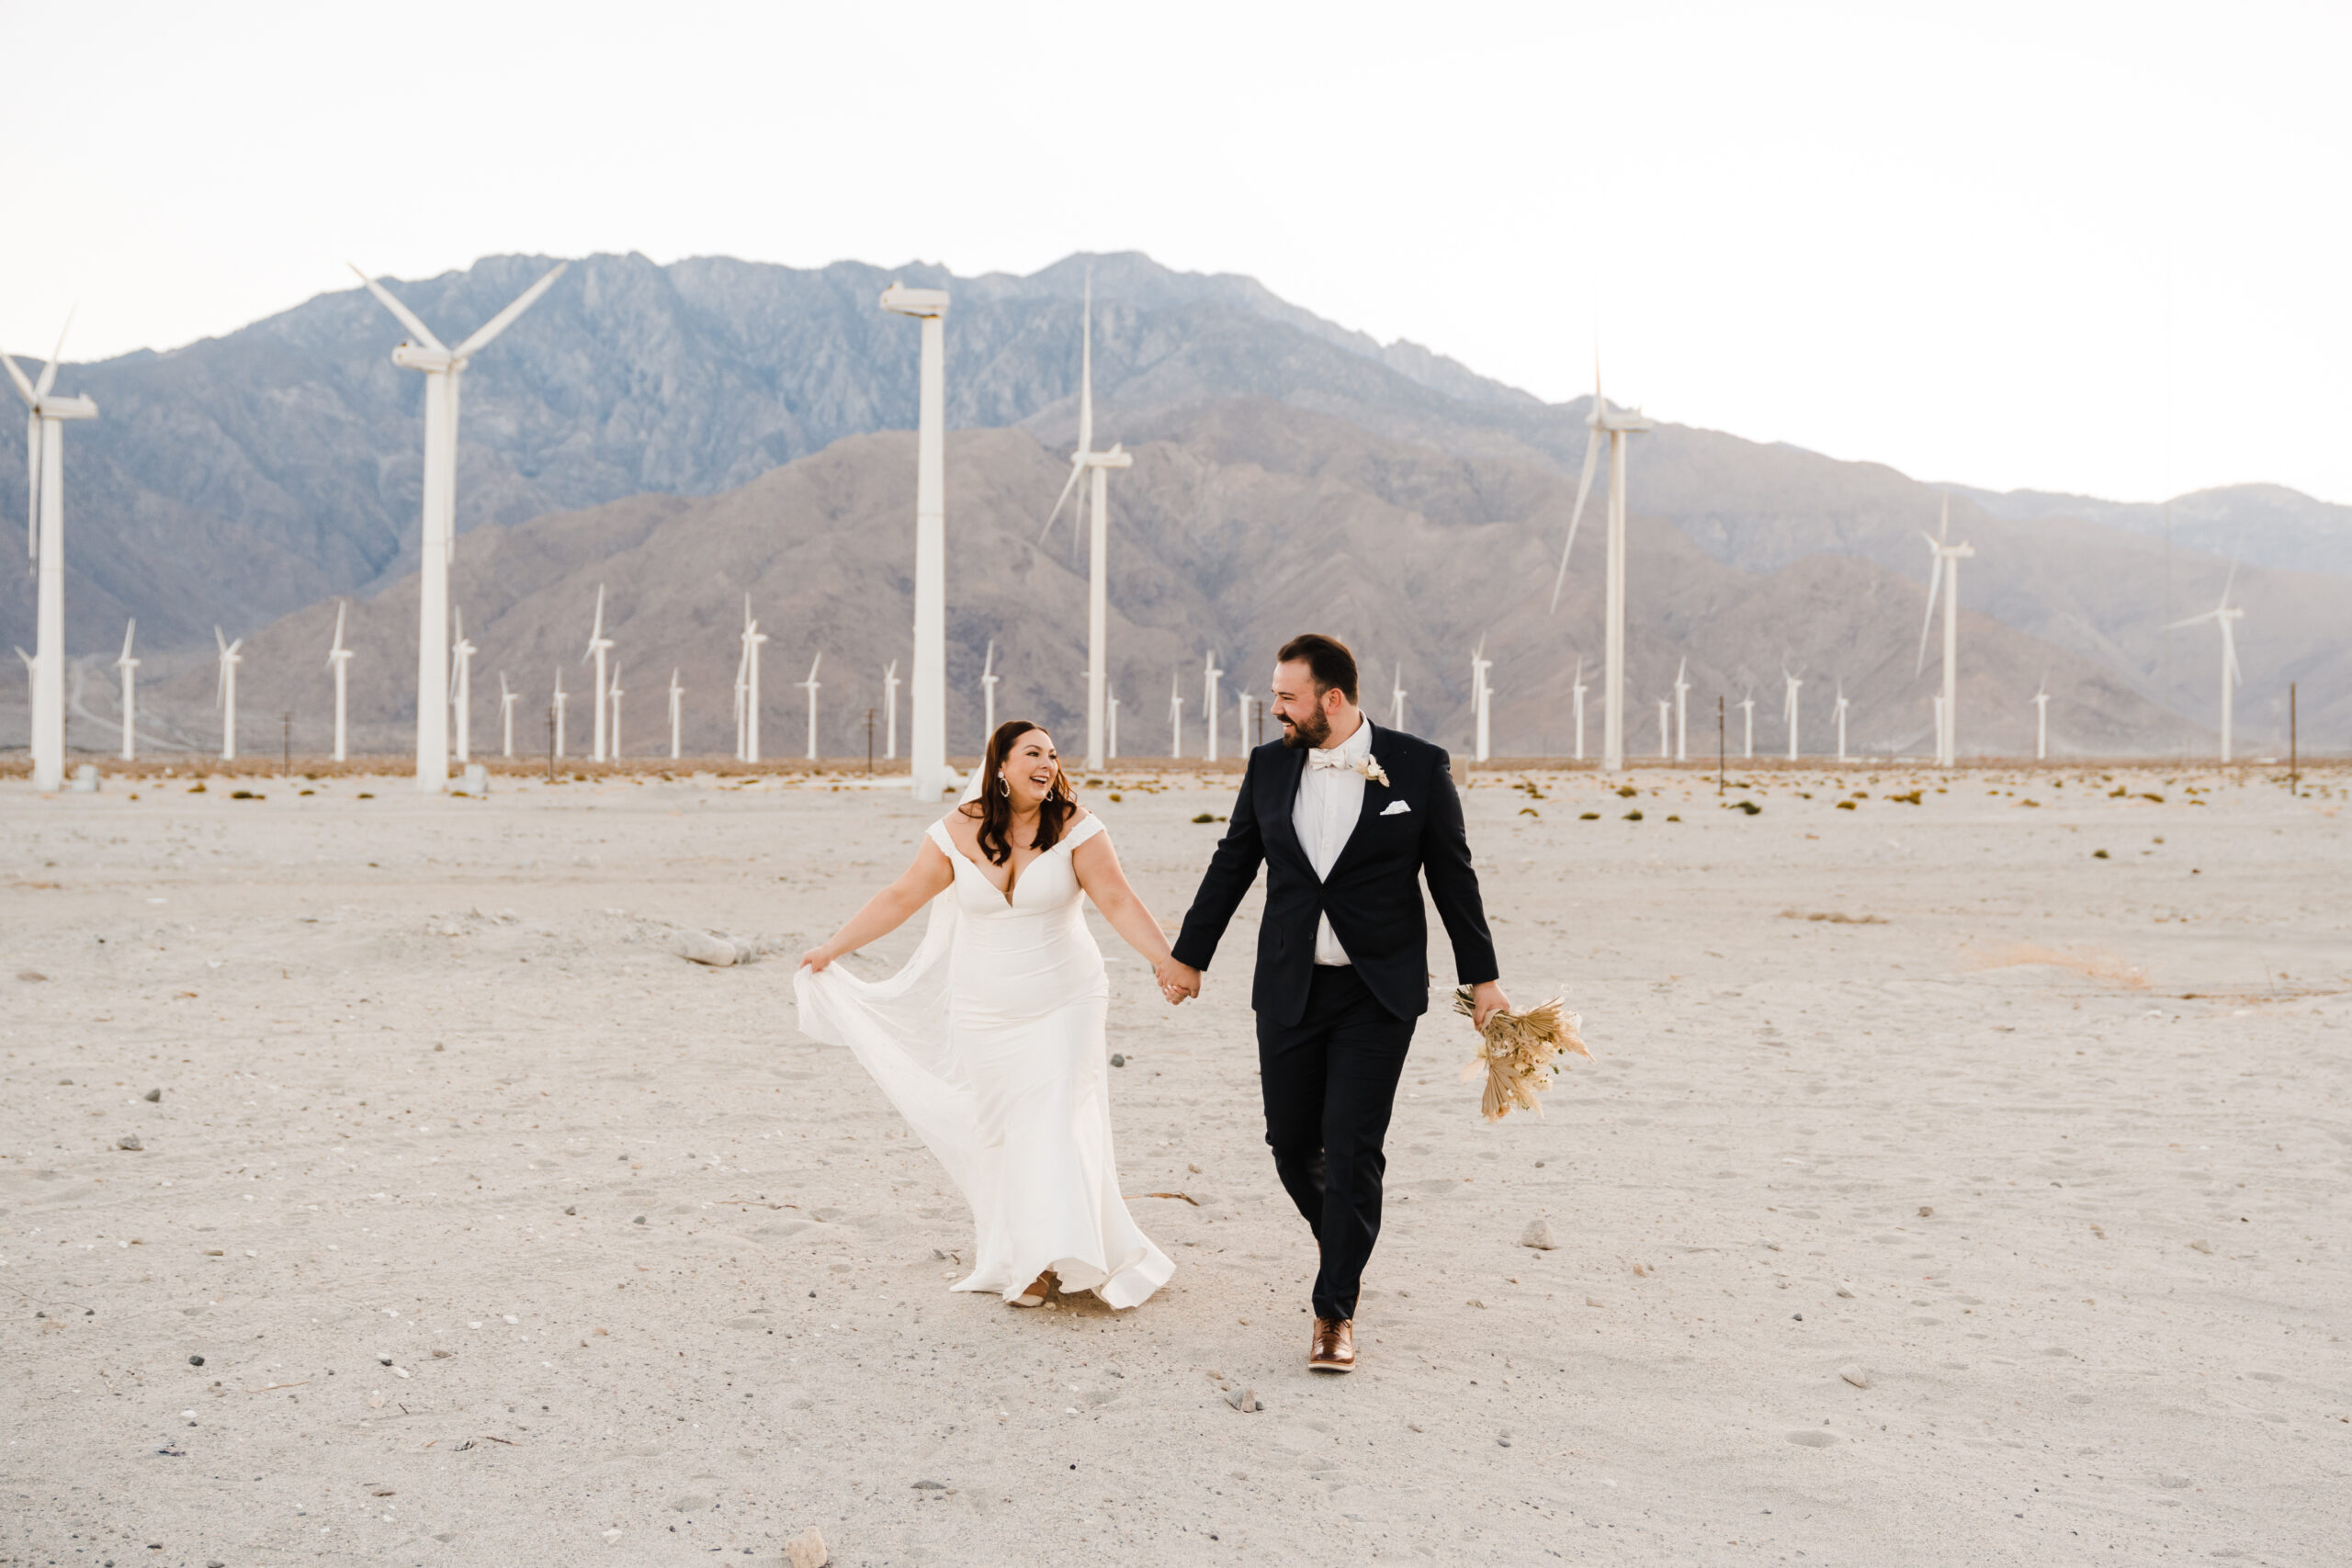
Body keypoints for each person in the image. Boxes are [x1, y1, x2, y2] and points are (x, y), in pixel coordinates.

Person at [1156, 633, 1508, 1373]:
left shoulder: (1418, 765)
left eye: (1287, 697)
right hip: (1288, 985)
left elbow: (1454, 877)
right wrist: (1190, 955)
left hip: (1377, 993)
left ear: (1333, 699)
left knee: (1351, 1145)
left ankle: (1334, 1309)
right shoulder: (1268, 765)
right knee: (1290, 1144)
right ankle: (1346, 1242)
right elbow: (1234, 862)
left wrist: (1484, 979)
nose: (1274, 709)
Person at [796, 720, 1178, 1310]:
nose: (1047, 763)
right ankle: (1027, 1252)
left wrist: (1165, 962)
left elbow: (1119, 900)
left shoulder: (1079, 828)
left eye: (1052, 754)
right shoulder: (955, 831)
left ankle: (1049, 1263)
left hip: (1066, 999)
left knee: (1053, 1118)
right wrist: (831, 950)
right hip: (984, 1011)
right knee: (1002, 1133)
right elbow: (901, 896)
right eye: (1032, 753)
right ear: (999, 764)